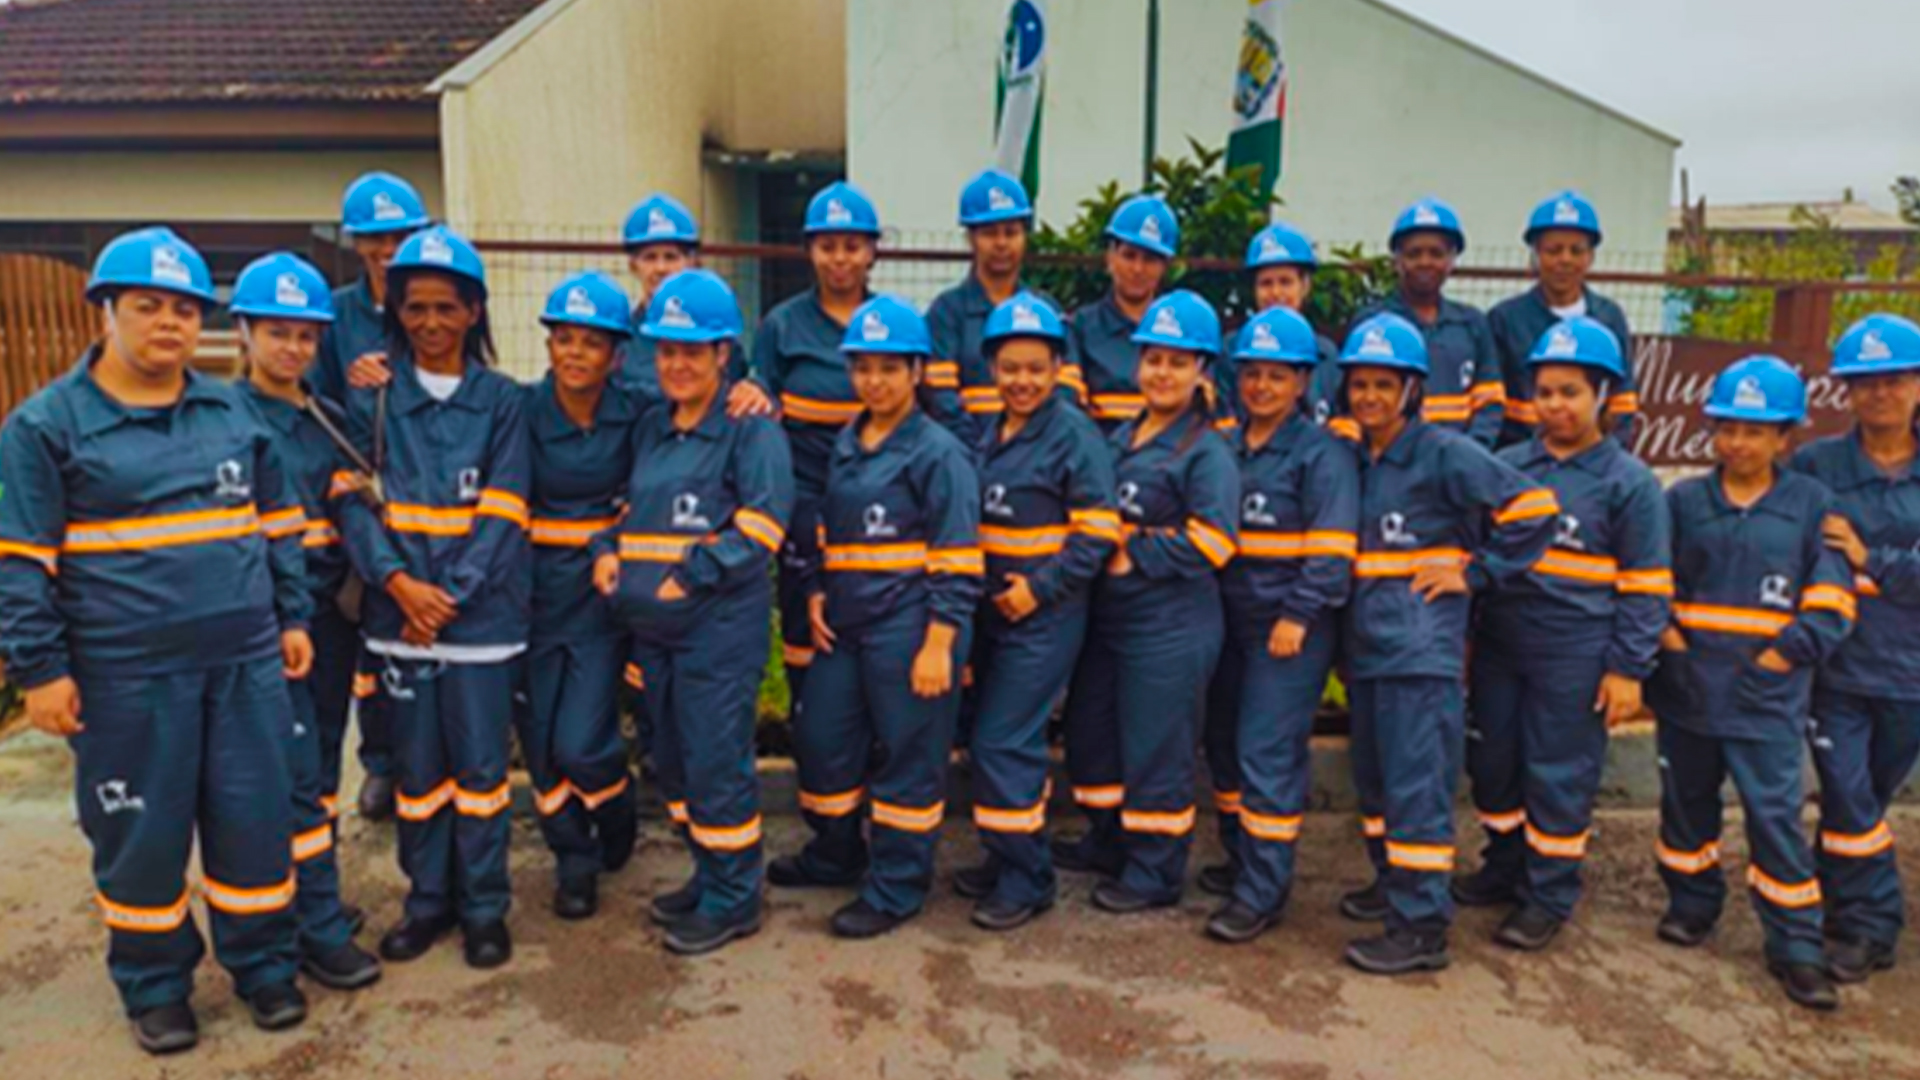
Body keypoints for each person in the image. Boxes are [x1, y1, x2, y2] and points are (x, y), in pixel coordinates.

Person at [0, 228, 315, 1052]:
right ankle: (154, 984)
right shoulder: (43, 428)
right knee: (141, 835)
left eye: (185, 309)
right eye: (148, 306)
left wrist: (290, 617)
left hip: (244, 664)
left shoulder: (233, 412)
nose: (169, 323)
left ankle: (264, 964)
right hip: (126, 678)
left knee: (253, 821)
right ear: (106, 310)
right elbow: (20, 563)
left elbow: (280, 524)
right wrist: (40, 671)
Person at [1335, 312, 1558, 975]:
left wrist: (1474, 570)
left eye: (1383, 384)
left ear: (1412, 389)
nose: (1369, 397)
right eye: (1359, 384)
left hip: (1419, 652)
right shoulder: (1356, 456)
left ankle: (1422, 925)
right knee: (1375, 785)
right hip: (1369, 649)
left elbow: (1534, 508)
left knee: (1416, 790)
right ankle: (1391, 883)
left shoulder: (1444, 452)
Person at [334, 226, 531, 971]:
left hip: (478, 627)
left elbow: (507, 508)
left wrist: (448, 595)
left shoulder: (503, 401)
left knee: (482, 777)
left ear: (475, 312)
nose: (430, 323)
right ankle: (427, 904)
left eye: (447, 307)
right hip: (399, 625)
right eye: (414, 308)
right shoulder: (376, 399)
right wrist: (399, 584)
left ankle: (484, 908)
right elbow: (350, 498)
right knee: (418, 780)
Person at [768, 295, 983, 940]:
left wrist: (940, 642)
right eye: (863, 368)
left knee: (911, 758)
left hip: (912, 626)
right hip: (848, 622)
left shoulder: (939, 453)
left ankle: (896, 885)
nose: (875, 381)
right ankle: (837, 851)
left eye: (890, 369)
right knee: (823, 741)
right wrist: (816, 592)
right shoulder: (847, 441)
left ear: (917, 372)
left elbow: (957, 554)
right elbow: (838, 530)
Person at [593, 270, 793, 955]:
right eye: (666, 350)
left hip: (716, 635)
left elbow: (764, 526)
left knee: (715, 765)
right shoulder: (652, 426)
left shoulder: (749, 430)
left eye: (692, 350)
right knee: (673, 763)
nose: (676, 364)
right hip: (653, 635)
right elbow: (624, 505)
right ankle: (710, 872)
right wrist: (606, 549)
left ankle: (736, 899)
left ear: (722, 355)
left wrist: (693, 574)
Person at [1459, 316, 1672, 950]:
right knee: (1492, 762)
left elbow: (1646, 584)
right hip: (1502, 642)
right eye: (1545, 391)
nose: (1555, 405)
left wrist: (1628, 667)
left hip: (1575, 651)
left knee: (1558, 772)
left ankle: (1547, 892)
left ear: (1602, 395)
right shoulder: (1506, 465)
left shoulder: (1628, 484)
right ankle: (1504, 864)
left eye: (1570, 391)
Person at [1649, 354, 1855, 1011]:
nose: (1738, 442)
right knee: (1686, 807)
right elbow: (1653, 583)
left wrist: (1785, 654)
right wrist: (1672, 648)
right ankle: (1692, 903)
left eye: (1755, 430)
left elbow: (1832, 599)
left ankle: (1795, 945)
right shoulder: (1682, 501)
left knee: (1774, 821)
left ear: (1784, 437)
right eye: (1727, 428)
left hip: (1767, 697)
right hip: (1689, 688)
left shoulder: (1812, 505)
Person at [1053, 291, 1240, 913]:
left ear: (1202, 372)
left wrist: (1138, 550)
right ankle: (1110, 839)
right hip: (1110, 616)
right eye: (1154, 359)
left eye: (1178, 362)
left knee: (1158, 745)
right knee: (1094, 734)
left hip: (1171, 622)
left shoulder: (1207, 450)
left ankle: (1156, 870)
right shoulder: (1122, 435)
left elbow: (1214, 540)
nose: (1163, 372)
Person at [231, 253, 385, 991]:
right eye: (279, 333)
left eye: (306, 336)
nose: (293, 348)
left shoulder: (318, 416)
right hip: (267, 630)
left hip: (328, 618)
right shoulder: (228, 423)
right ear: (245, 333)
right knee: (289, 778)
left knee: (321, 768)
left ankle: (308, 900)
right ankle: (313, 927)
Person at [752, 181, 961, 707]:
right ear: (809, 251)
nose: (839, 259)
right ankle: (812, 724)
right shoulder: (781, 326)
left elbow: (931, 408)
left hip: (891, 500)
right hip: (807, 500)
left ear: (872, 251)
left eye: (851, 245)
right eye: (827, 246)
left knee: (890, 629)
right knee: (810, 630)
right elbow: (757, 401)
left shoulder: (896, 321)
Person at [952, 293, 1119, 931]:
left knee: (1004, 739)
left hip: (1043, 616)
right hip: (993, 612)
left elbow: (1099, 530)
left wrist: (1039, 589)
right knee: (985, 739)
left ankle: (1029, 877)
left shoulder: (1072, 433)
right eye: (1010, 368)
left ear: (1057, 370)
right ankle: (1003, 856)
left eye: (1036, 368)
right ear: (991, 367)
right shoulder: (990, 431)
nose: (1022, 381)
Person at [1201, 306, 1359, 943]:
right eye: (1252, 375)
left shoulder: (1321, 455)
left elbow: (1330, 552)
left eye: (1276, 376)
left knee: (1267, 751)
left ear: (1302, 384)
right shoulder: (1226, 446)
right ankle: (1241, 854)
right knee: (1225, 744)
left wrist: (1298, 615)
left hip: (1288, 628)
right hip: (1230, 621)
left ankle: (1264, 888)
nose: (1261, 387)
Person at [1789, 313, 1920, 984]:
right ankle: (1873, 923)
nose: (1879, 395)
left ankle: (1831, 899)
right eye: (1864, 383)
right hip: (1837, 666)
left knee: (1862, 798)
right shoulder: (1818, 464)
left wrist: (1878, 560)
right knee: (1848, 795)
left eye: (1893, 380)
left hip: (1909, 673)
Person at [518, 271, 647, 921]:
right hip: (531, 598)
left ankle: (616, 804)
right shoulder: (520, 411)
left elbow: (667, 479)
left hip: (600, 601)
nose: (573, 353)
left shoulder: (637, 412)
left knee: (581, 741)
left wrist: (750, 391)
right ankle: (573, 857)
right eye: (562, 339)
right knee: (541, 744)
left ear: (616, 355)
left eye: (590, 344)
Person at [316, 169, 430, 823]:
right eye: (375, 238)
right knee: (369, 642)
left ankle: (419, 762)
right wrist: (354, 390)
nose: (388, 250)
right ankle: (381, 765)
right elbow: (317, 407)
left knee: (422, 629)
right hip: (363, 496)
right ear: (356, 242)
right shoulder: (337, 315)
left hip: (431, 493)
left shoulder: (436, 298)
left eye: (399, 236)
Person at [926, 169, 1077, 444]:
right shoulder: (946, 312)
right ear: (970, 238)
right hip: (968, 457)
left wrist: (1032, 444)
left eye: (1011, 232)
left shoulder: (1048, 309)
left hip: (1042, 458)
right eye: (989, 233)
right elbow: (940, 398)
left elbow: (1068, 388)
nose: (1001, 243)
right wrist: (983, 451)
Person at [1489, 192, 1639, 445]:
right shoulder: (1505, 319)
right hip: (1521, 462)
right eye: (1554, 250)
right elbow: (1495, 405)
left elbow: (1623, 400)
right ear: (1535, 255)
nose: (1565, 260)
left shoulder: (1609, 317)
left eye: (1576, 250)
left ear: (1590, 257)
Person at [1356, 198, 1504, 447]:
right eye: (1414, 253)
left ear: (1451, 260)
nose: (1425, 262)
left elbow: (1490, 401)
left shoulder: (1473, 323)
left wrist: (1470, 453)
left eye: (1436, 253)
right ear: (1397, 260)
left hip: (1462, 461)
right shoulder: (1372, 324)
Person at [616, 193, 752, 395]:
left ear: (692, 263)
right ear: (633, 266)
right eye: (650, 258)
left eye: (671, 257)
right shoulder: (620, 339)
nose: (660, 268)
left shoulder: (716, 334)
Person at [1066, 194, 1178, 434]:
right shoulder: (1079, 329)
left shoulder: (1184, 330)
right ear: (1110, 257)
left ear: (1165, 267)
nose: (1138, 269)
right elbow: (1069, 416)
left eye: (1150, 259)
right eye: (1129, 255)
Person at [1239, 221, 1344, 428]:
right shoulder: (1233, 351)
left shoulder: (1326, 354)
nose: (1276, 293)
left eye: (1285, 282)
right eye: (1266, 283)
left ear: (1305, 286)